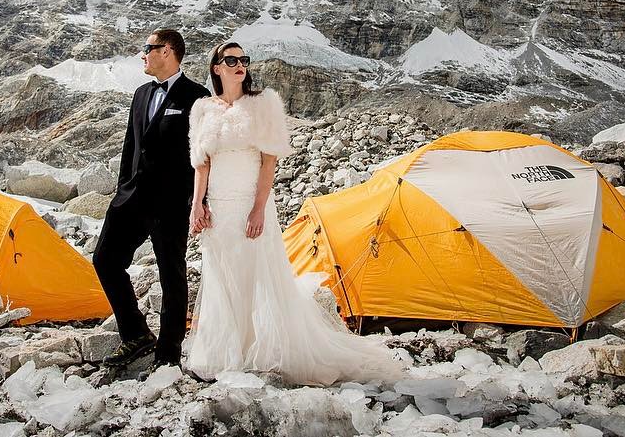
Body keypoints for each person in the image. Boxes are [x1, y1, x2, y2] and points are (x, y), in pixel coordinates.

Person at [183, 41, 403, 386]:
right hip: (218, 207)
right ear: (216, 67)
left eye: (244, 59)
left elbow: (269, 161)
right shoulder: (202, 109)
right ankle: (227, 353)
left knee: (256, 274)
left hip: (249, 204)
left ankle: (262, 350)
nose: (240, 64)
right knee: (223, 275)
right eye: (231, 60)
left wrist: (258, 209)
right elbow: (201, 164)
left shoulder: (263, 104)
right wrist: (197, 205)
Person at [93, 29, 210, 368]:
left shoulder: (196, 97)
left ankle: (168, 355)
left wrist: (198, 201)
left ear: (168, 51)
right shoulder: (141, 93)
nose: (143, 54)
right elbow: (131, 145)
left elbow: (202, 155)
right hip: (131, 200)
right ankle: (136, 335)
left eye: (149, 48)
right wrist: (121, 190)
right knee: (105, 261)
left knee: (171, 275)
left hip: (171, 203)